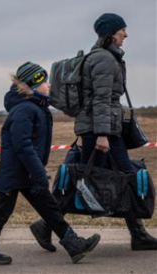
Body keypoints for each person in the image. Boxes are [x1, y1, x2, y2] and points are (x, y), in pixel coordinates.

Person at [30, 13, 157, 251]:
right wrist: (101, 134)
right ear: (110, 34)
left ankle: (137, 233)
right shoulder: (104, 60)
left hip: (105, 129)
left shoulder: (106, 57)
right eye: (122, 31)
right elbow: (100, 100)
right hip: (99, 130)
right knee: (87, 178)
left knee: (118, 174)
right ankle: (47, 226)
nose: (126, 35)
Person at [0, 63, 100, 265]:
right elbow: (22, 145)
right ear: (33, 85)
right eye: (43, 81)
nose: (48, 85)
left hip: (27, 171)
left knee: (49, 208)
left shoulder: (35, 107)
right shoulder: (25, 109)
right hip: (17, 171)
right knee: (1, 210)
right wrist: (38, 172)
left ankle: (73, 244)